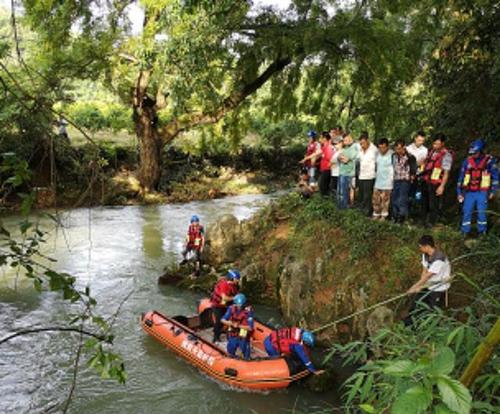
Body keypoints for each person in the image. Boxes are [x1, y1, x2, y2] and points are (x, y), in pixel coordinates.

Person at [405, 235, 451, 325]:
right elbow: (424, 271)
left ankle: (432, 328)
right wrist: (420, 286)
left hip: (439, 287)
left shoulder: (439, 259)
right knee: (416, 302)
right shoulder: (425, 255)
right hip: (428, 284)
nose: (420, 249)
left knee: (433, 310)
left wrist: (414, 287)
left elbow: (428, 276)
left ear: (427, 246)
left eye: (421, 247)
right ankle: (409, 323)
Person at [457, 139, 498, 236]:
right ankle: (464, 232)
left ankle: (482, 232)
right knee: (467, 211)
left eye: (475, 153)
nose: (473, 155)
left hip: (482, 192)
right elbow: (461, 178)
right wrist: (459, 193)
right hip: (469, 192)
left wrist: (493, 191)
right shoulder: (467, 161)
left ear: (481, 151)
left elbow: (496, 177)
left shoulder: (489, 162)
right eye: (471, 153)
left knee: (482, 213)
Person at [421, 134, 453, 228]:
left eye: (438, 144)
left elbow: (446, 172)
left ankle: (431, 223)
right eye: (434, 144)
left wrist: (442, 186)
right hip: (426, 180)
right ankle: (423, 221)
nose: (435, 146)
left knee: (433, 205)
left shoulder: (447, 155)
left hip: (436, 183)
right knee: (424, 203)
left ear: (443, 143)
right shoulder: (431, 152)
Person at [210, 269, 240, 343]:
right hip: (217, 305)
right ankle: (215, 337)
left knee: (232, 318)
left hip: (225, 305)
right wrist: (235, 298)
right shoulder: (224, 285)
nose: (238, 280)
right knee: (219, 321)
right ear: (232, 278)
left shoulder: (234, 286)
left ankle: (228, 332)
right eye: (237, 279)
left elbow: (235, 295)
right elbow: (224, 298)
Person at [221, 293, 254, 359]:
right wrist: (230, 323)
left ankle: (246, 360)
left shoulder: (249, 312)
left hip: (243, 335)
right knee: (230, 349)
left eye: (241, 305)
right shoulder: (231, 308)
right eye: (238, 305)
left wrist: (238, 326)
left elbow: (250, 328)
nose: (239, 306)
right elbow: (222, 320)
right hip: (233, 333)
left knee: (245, 351)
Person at [391, 140, 417, 223]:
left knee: (402, 199)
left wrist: (412, 178)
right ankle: (395, 216)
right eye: (396, 149)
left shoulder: (410, 157)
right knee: (394, 198)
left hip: (405, 181)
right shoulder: (394, 156)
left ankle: (402, 217)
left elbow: (413, 170)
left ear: (404, 147)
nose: (398, 151)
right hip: (396, 179)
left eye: (399, 148)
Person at [372, 138, 394, 221]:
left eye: (383, 147)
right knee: (375, 199)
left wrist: (392, 180)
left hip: (388, 181)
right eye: (380, 147)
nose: (382, 149)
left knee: (385, 200)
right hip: (378, 180)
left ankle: (384, 216)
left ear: (387, 146)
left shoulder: (392, 154)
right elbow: (376, 166)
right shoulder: (377, 154)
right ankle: (376, 214)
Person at [357, 132, 378, 216]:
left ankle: (368, 212)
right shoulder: (360, 150)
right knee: (361, 195)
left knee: (368, 196)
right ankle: (361, 211)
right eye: (360, 143)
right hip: (361, 176)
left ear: (367, 141)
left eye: (363, 143)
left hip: (370, 176)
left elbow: (377, 163)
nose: (362, 145)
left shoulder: (374, 149)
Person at [406, 131, 428, 207]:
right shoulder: (408, 149)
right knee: (406, 193)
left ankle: (415, 211)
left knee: (416, 194)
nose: (420, 142)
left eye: (422, 141)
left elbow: (425, 163)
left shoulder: (425, 150)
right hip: (408, 175)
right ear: (415, 139)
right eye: (419, 140)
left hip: (419, 175)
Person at [337, 132, 358, 209]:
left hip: (348, 174)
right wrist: (342, 158)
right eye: (345, 140)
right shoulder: (343, 149)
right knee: (340, 192)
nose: (346, 141)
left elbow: (345, 160)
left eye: (348, 139)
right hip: (341, 173)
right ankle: (340, 208)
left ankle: (344, 209)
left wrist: (342, 158)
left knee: (345, 192)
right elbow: (339, 158)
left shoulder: (354, 149)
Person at [318, 131, 334, 196]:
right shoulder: (323, 147)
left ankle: (326, 200)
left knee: (322, 185)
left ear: (324, 138)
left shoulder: (329, 147)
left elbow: (331, 159)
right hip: (324, 169)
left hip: (327, 170)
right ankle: (325, 199)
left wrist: (329, 167)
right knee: (322, 186)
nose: (319, 139)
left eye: (321, 138)